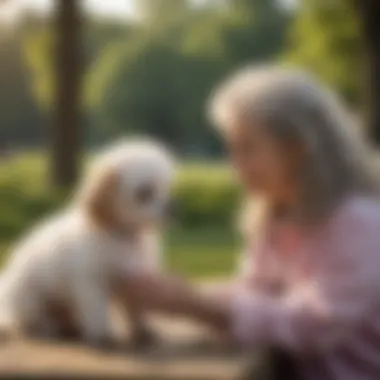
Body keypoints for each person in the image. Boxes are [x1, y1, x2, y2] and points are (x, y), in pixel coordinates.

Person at [122, 66, 380, 380]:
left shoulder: (358, 223)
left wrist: (197, 305)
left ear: (295, 149)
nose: (234, 166)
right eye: (231, 149)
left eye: (246, 148)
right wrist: (183, 294)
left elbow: (315, 326)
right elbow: (260, 292)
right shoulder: (277, 213)